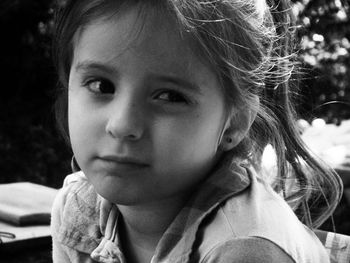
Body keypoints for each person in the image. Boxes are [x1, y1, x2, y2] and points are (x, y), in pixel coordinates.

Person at [50, 0, 343, 262]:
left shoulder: (244, 251)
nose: (122, 125)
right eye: (102, 86)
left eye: (169, 96)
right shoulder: (79, 206)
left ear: (236, 121)